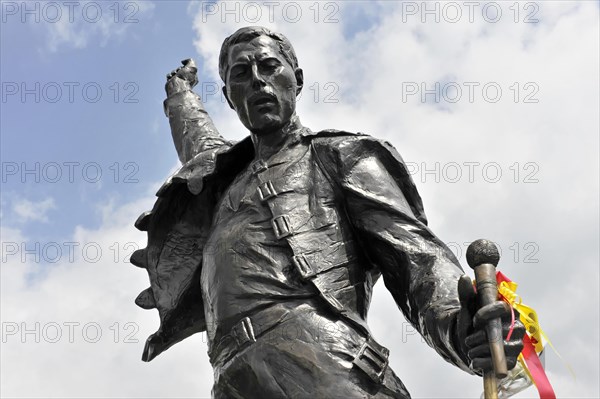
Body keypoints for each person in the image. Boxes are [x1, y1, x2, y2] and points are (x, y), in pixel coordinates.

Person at [131, 26, 524, 398]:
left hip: (324, 363)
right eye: (241, 73)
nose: (256, 80)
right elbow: (197, 141)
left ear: (296, 80)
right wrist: (179, 95)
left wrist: (461, 324)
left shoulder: (339, 156)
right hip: (233, 378)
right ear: (230, 96)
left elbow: (416, 257)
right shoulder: (222, 183)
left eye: (269, 67)